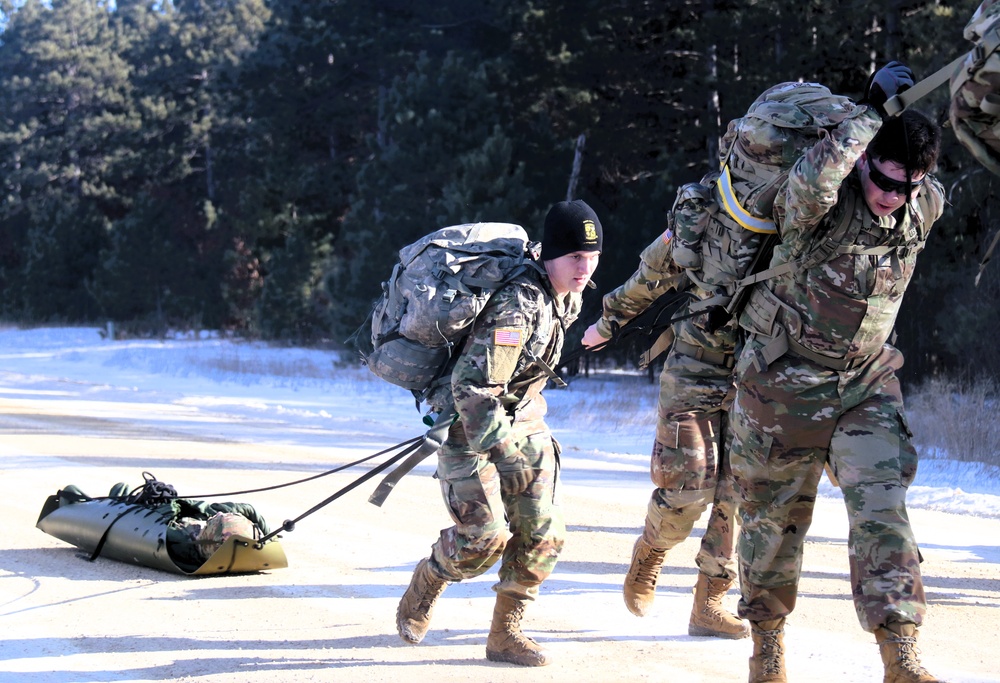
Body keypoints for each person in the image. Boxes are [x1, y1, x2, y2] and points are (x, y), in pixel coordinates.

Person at [727, 64, 947, 682]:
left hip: (865, 384)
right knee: (773, 524)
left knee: (883, 508)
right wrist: (871, 115)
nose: (890, 195)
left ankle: (899, 654)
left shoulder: (920, 206)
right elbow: (807, 188)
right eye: (882, 178)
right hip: (784, 384)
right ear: (862, 162)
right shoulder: (819, 203)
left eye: (907, 185)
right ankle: (767, 644)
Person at [395, 199, 602, 667]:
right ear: (549, 253)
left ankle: (506, 632)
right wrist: (505, 450)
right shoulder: (518, 304)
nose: (584, 268)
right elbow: (472, 387)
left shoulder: (569, 293)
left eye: (592, 258)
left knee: (543, 530)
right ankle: (429, 578)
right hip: (471, 426)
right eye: (574, 257)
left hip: (524, 416)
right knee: (481, 540)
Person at [581, 196, 750, 640]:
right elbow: (654, 271)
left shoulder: (808, 212)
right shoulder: (713, 209)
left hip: (757, 376)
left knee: (739, 492)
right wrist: (611, 319)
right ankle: (652, 551)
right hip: (696, 365)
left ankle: (709, 602)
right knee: (689, 484)